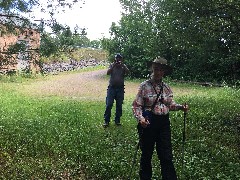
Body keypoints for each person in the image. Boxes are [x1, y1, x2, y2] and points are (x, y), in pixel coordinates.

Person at [132, 56, 189, 180]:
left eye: (161, 70)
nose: (158, 72)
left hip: (164, 123)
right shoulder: (144, 86)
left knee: (166, 155)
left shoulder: (167, 87)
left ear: (164, 72)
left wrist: (180, 107)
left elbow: (170, 104)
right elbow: (137, 106)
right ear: (152, 69)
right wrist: (141, 119)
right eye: (156, 69)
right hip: (148, 123)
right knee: (146, 155)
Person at [103, 53, 130, 127]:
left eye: (119, 58)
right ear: (115, 59)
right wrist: (113, 66)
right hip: (111, 88)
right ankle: (106, 121)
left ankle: (117, 121)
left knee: (119, 105)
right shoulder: (112, 65)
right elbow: (108, 73)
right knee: (109, 104)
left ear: (121, 59)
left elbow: (128, 72)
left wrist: (123, 66)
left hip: (120, 89)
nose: (118, 60)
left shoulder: (123, 66)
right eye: (116, 58)